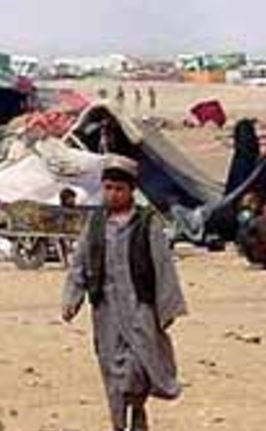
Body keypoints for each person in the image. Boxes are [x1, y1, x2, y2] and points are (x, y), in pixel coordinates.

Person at [62, 155, 187, 431]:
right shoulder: (95, 224)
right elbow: (80, 263)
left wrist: (167, 309)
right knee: (111, 369)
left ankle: (137, 408)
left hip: (140, 308)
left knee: (137, 366)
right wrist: (72, 298)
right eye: (108, 188)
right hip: (105, 310)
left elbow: (163, 266)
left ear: (131, 191)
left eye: (119, 189)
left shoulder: (147, 223)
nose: (112, 194)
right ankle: (119, 424)